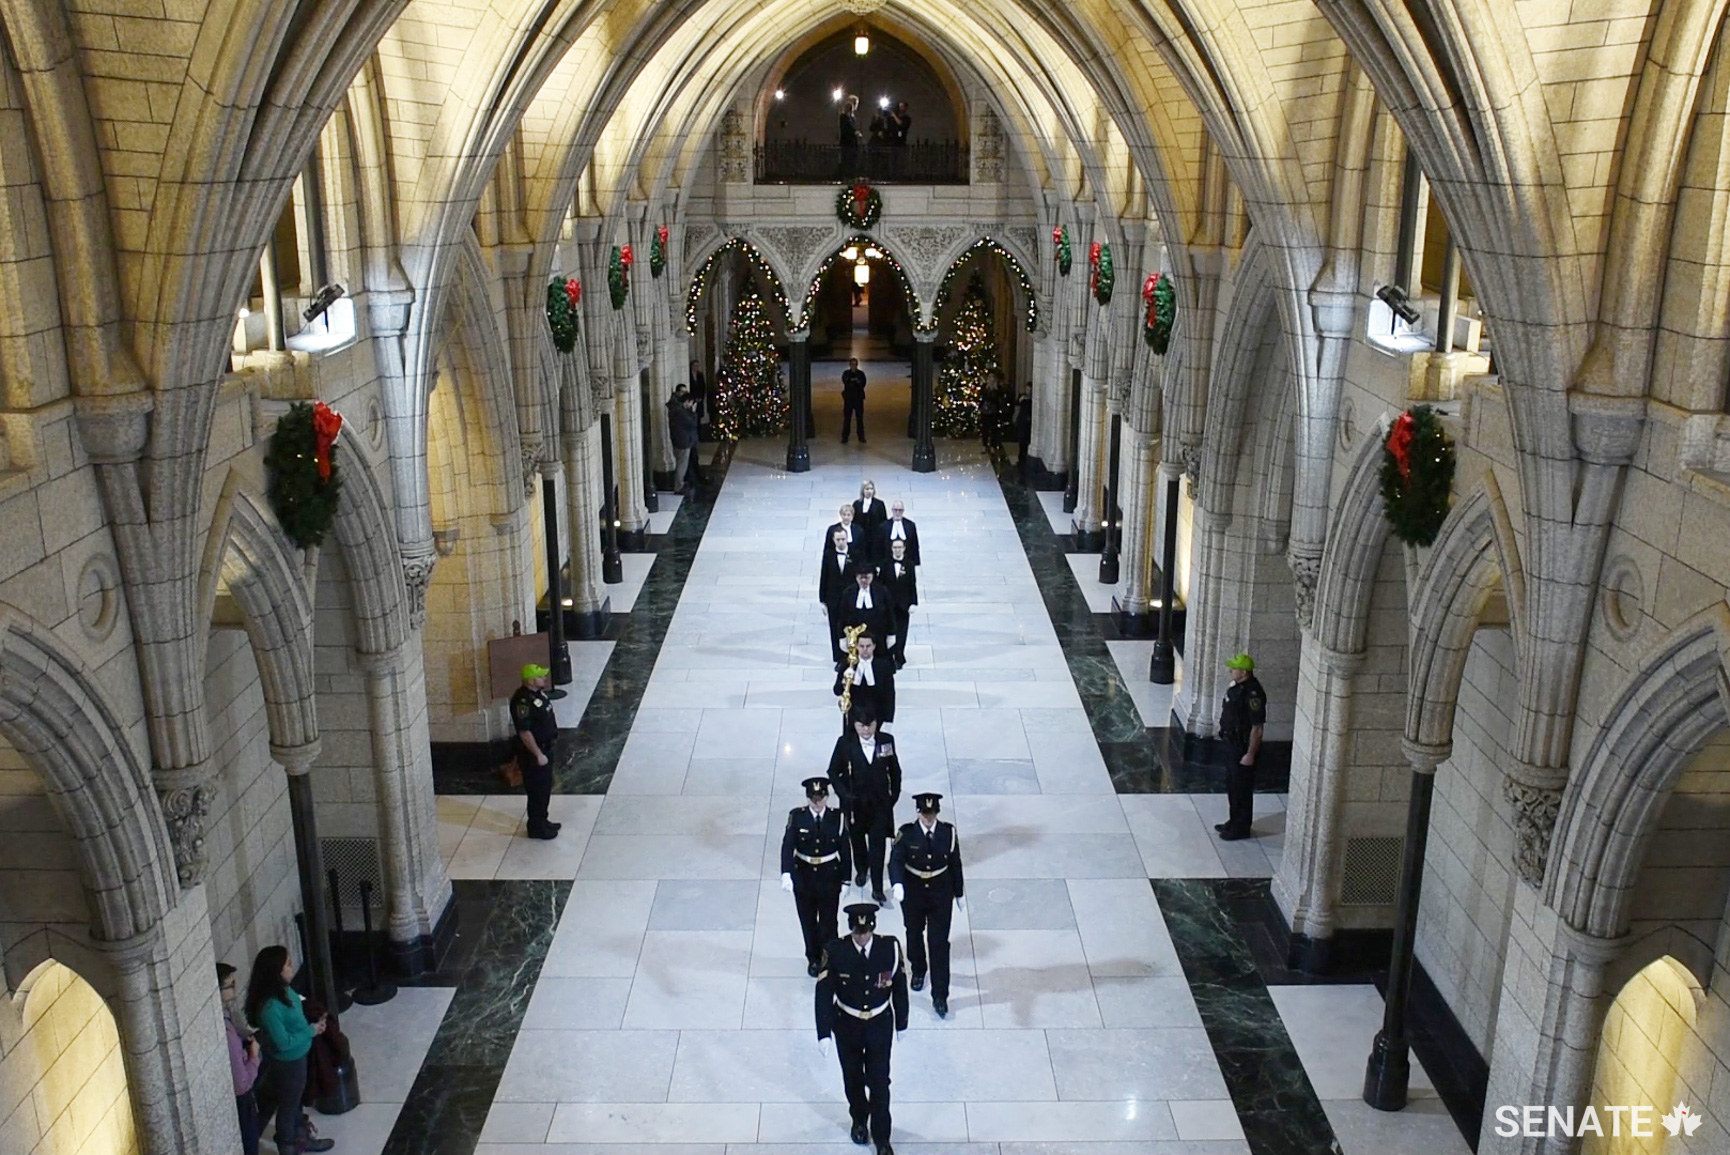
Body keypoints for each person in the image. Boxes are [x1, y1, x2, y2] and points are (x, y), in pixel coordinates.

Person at [815, 903, 908, 1154]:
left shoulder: (889, 948)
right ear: (851, 930)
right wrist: (824, 1032)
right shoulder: (836, 951)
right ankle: (858, 1118)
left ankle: (882, 1136)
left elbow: (899, 985)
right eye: (858, 932)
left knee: (880, 1082)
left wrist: (902, 1022)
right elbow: (823, 992)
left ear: (873, 929)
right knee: (853, 1077)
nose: (863, 937)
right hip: (847, 1024)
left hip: (879, 1024)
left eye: (866, 932)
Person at [245, 946, 334, 1154]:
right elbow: (283, 1042)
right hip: (288, 1062)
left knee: (295, 1101)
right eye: (288, 964)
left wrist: (313, 1026)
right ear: (276, 971)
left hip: (299, 1056)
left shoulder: (284, 990)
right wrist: (309, 1032)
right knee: (288, 1104)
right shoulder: (270, 1008)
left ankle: (300, 1137)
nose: (292, 966)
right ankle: (288, 1145)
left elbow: (296, 1007)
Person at [888, 793, 965, 1018]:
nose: (928, 818)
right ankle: (919, 968)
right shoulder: (907, 833)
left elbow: (955, 863)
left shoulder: (948, 833)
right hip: (913, 891)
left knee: (939, 943)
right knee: (913, 932)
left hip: (941, 892)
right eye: (924, 813)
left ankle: (940, 995)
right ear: (918, 813)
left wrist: (959, 892)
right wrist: (897, 884)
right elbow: (896, 860)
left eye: (932, 813)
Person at [781, 776, 852, 976]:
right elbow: (788, 846)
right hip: (804, 876)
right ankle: (813, 957)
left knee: (829, 922)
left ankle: (829, 956)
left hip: (830, 875)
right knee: (808, 921)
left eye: (820, 798)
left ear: (827, 797)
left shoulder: (837, 817)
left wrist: (846, 879)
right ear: (807, 799)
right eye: (813, 798)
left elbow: (845, 850)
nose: (817, 802)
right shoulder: (797, 817)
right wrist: (786, 872)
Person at [828, 708, 901, 901]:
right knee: (857, 841)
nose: (866, 730)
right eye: (862, 726)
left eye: (870, 725)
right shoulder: (845, 744)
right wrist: (844, 795)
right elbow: (833, 772)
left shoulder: (886, 741)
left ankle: (877, 886)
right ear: (854, 725)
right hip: (855, 806)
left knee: (878, 845)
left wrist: (893, 796)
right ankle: (861, 869)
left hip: (879, 805)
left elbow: (894, 770)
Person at [1216, 652, 1267, 841]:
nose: (1231, 670)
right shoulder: (1238, 687)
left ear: (1244, 672)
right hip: (1231, 742)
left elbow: (1257, 728)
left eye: (1234, 668)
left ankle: (1241, 827)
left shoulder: (1253, 693)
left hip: (1242, 746)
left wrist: (1250, 754)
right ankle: (1233, 820)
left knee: (1242, 788)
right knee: (1232, 785)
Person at [511, 664, 562, 839]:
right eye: (541, 677)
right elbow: (525, 732)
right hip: (534, 754)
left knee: (545, 788)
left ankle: (543, 820)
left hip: (546, 747)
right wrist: (538, 754)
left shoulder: (538, 694)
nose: (544, 679)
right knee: (537, 791)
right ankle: (536, 827)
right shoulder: (522, 701)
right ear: (531, 681)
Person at [219, 962, 262, 1155]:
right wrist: (253, 1055)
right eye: (230, 986)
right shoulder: (226, 1034)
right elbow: (241, 1083)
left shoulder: (226, 1015)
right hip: (241, 1101)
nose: (235, 990)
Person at [837, 563, 893, 669]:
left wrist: (891, 634)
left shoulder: (881, 591)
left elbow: (890, 614)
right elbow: (842, 617)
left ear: (872, 577)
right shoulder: (848, 592)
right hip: (855, 637)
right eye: (860, 577)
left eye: (867, 577)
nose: (863, 581)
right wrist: (842, 637)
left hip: (878, 634)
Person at [834, 631, 895, 725]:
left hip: (877, 715)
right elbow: (837, 691)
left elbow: (890, 695)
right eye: (861, 646)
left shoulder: (883, 666)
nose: (865, 649)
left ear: (874, 646)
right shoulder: (848, 664)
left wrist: (888, 721)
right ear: (856, 646)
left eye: (868, 646)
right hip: (853, 716)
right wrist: (844, 680)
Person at [878, 538, 917, 668]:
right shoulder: (884, 564)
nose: (897, 550)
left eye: (900, 547)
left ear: (904, 548)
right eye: (895, 547)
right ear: (891, 549)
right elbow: (880, 585)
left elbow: (912, 584)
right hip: (888, 605)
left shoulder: (909, 565)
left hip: (903, 605)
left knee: (902, 632)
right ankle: (888, 656)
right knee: (887, 631)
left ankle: (899, 656)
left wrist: (913, 602)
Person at [820, 527, 856, 666]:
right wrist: (822, 600)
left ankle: (852, 655)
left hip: (851, 599)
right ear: (834, 540)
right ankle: (839, 659)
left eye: (843, 539)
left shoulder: (855, 553)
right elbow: (824, 576)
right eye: (838, 539)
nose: (841, 542)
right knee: (835, 629)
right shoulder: (828, 554)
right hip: (833, 599)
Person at [668, 385, 697, 497]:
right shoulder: (680, 412)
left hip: (680, 440)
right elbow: (691, 424)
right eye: (691, 403)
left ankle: (680, 484)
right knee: (682, 465)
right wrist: (693, 413)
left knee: (682, 464)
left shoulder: (677, 409)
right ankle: (678, 486)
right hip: (683, 441)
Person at [874, 500, 920, 567]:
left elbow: (914, 545)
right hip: (887, 563)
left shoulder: (910, 525)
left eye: (900, 510)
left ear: (903, 511)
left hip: (907, 562)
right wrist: (878, 564)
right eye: (895, 510)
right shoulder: (883, 526)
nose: (897, 512)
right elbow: (878, 546)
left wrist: (915, 562)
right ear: (892, 510)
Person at [852, 480, 887, 553]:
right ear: (863, 490)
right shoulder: (857, 504)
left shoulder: (879, 504)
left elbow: (884, 521)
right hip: (861, 537)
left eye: (871, 489)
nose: (869, 491)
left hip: (875, 537)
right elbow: (853, 521)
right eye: (867, 489)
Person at [841, 358, 868, 444]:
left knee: (859, 419)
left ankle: (861, 437)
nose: (853, 366)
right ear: (849, 365)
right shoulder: (846, 374)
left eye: (855, 364)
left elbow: (862, 383)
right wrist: (854, 382)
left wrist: (854, 383)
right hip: (849, 399)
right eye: (852, 364)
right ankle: (845, 437)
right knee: (847, 419)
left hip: (858, 399)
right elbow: (846, 382)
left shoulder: (861, 374)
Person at [839, 95, 861, 175]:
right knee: (847, 161)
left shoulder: (852, 117)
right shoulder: (844, 116)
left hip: (853, 143)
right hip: (847, 143)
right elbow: (846, 129)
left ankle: (851, 175)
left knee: (853, 161)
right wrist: (855, 132)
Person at [1014, 385, 1033, 477]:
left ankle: (1025, 459)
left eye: (1030, 389)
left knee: (1026, 440)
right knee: (1021, 440)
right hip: (1022, 421)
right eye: (1027, 389)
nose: (1028, 391)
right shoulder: (1023, 396)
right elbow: (1017, 404)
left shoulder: (1033, 399)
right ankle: (1020, 459)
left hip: (1029, 422)